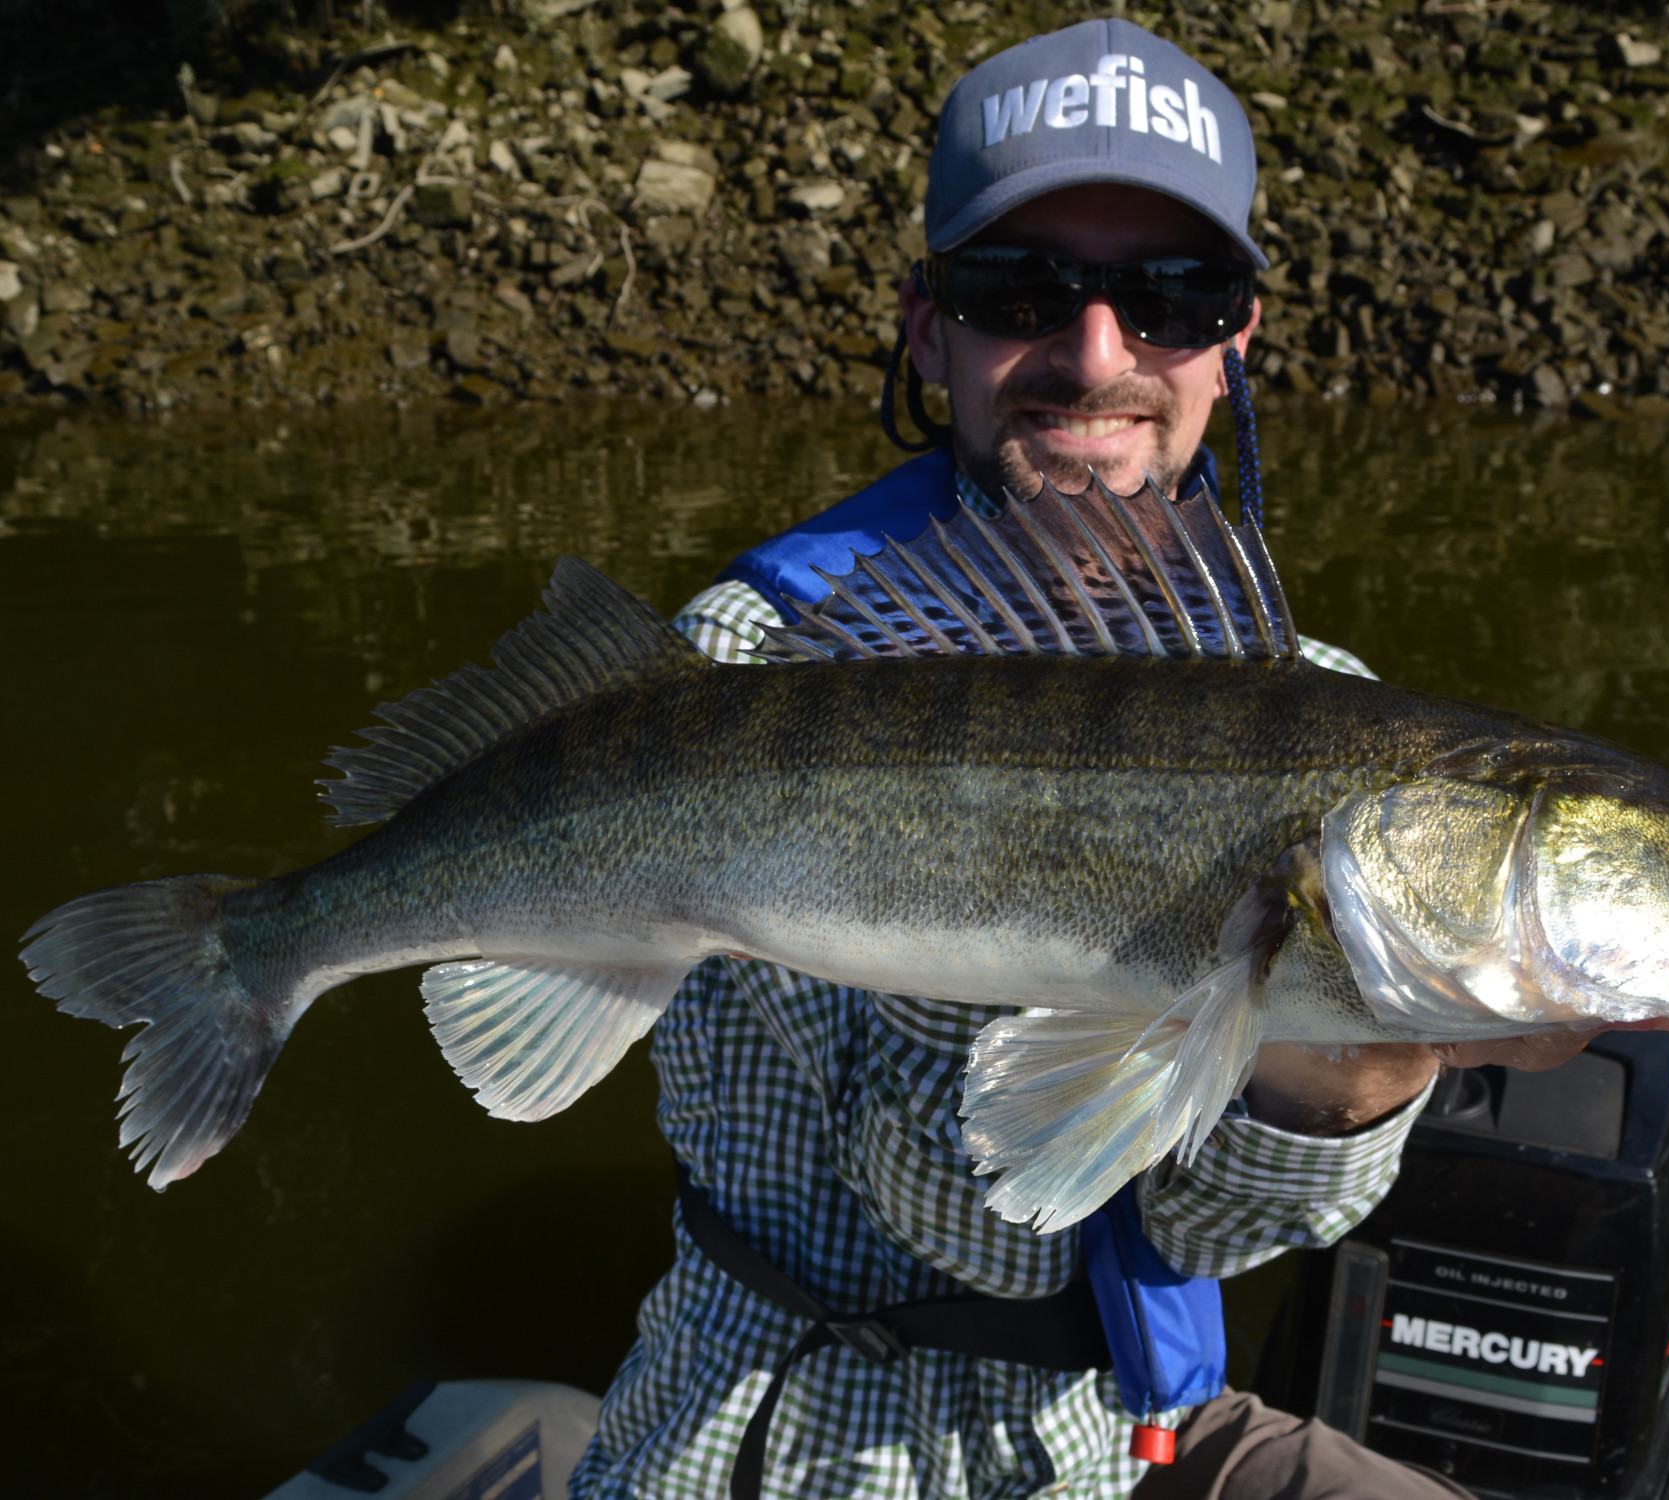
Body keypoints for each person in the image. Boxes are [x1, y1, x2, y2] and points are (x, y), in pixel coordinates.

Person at [567, 20, 1586, 1500]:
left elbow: (1217, 1238)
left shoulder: (1344, 728)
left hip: (1109, 1431)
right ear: (931, 331)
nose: (1097, 353)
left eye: (1174, 295)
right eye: (1020, 289)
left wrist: (1343, 1083)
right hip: (767, 1426)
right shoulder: (742, 676)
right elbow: (966, 1212)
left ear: (1239, 340)